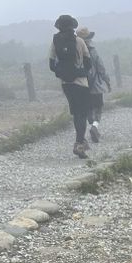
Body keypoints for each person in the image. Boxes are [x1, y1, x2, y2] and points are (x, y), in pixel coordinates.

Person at [49, 14, 92, 158]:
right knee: (82, 113)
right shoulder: (79, 41)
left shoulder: (55, 42)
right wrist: (80, 72)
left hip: (66, 84)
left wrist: (63, 73)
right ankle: (79, 143)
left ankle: (81, 142)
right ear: (72, 26)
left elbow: (51, 65)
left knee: (75, 113)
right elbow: (88, 62)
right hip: (81, 82)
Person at [77, 27, 111, 143]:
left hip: (81, 85)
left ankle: (91, 122)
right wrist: (107, 81)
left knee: (88, 107)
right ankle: (94, 126)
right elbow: (101, 68)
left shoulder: (76, 52)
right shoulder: (93, 51)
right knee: (98, 107)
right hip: (95, 86)